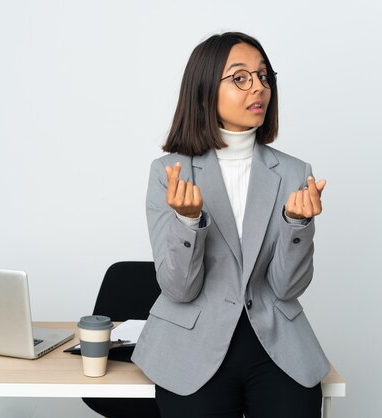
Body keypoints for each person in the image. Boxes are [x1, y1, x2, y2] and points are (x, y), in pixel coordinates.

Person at [131, 32, 330, 418]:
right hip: (191, 345)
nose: (258, 87)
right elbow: (178, 289)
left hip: (277, 343)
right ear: (205, 92)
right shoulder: (169, 172)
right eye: (240, 78)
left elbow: (287, 288)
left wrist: (297, 224)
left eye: (264, 76)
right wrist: (188, 222)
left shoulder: (294, 172)